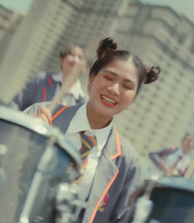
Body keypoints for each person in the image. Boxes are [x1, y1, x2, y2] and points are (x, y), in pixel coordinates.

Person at [28, 38, 160, 222]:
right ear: (91, 80)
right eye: (109, 77)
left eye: (127, 86)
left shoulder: (127, 162)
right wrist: (25, 136)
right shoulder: (40, 115)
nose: (114, 89)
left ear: (133, 100)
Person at [10, 45, 88, 111]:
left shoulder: (83, 103)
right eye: (71, 55)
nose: (75, 60)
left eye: (80, 57)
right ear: (62, 60)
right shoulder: (42, 80)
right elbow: (15, 104)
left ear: (85, 68)